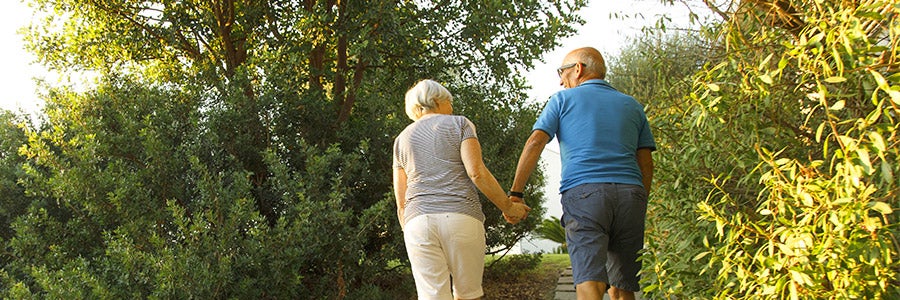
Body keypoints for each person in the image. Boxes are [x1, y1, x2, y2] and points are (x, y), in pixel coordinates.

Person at [507, 47, 655, 300]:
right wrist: (640, 199)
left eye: (562, 72)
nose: (560, 80)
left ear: (578, 69)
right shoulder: (632, 105)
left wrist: (516, 193)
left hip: (585, 194)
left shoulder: (562, 100)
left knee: (590, 280)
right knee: (623, 286)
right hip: (631, 194)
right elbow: (645, 162)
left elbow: (535, 142)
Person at [392, 79, 532, 300]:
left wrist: (410, 230)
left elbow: (401, 202)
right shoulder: (460, 124)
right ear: (438, 101)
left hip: (418, 222)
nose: (452, 107)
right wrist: (509, 207)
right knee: (468, 295)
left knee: (432, 296)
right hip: (461, 217)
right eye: (450, 101)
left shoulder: (401, 139)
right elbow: (476, 172)